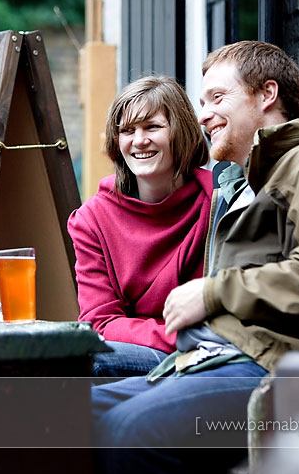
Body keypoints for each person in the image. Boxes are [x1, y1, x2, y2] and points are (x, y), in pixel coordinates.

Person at [91, 40, 299, 474]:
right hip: (217, 358)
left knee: (131, 430)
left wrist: (211, 292)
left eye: (217, 98)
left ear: (266, 95)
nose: (203, 114)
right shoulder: (255, 182)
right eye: (202, 102)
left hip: (278, 369)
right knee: (72, 412)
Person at [67, 75, 214, 377]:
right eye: (127, 131)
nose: (139, 141)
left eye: (153, 127)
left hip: (212, 355)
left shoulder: (220, 201)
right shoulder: (92, 220)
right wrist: (179, 337)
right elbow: (100, 321)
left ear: (181, 132)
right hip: (175, 346)